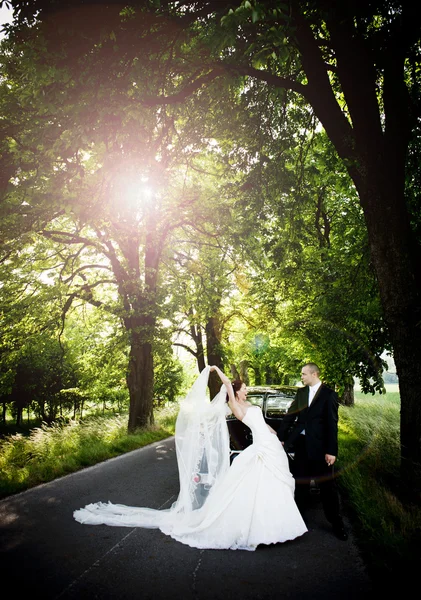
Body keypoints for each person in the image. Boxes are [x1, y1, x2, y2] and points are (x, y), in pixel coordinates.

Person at [73, 365, 307, 551]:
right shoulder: (236, 407)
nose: (246, 390)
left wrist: (277, 436)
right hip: (260, 450)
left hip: (272, 446)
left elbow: (264, 425)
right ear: (236, 392)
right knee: (254, 487)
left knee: (273, 486)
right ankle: (261, 530)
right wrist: (216, 371)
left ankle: (277, 527)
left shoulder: (251, 405)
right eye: (244, 387)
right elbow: (227, 384)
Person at [277, 362, 348, 541]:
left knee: (327, 487)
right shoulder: (301, 393)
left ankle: (337, 524)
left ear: (314, 374)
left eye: (303, 374)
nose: (301, 377)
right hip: (301, 444)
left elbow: (332, 424)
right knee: (300, 484)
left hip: (321, 448)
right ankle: (296, 523)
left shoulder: (329, 395)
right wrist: (281, 436)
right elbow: (290, 415)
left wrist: (331, 451)